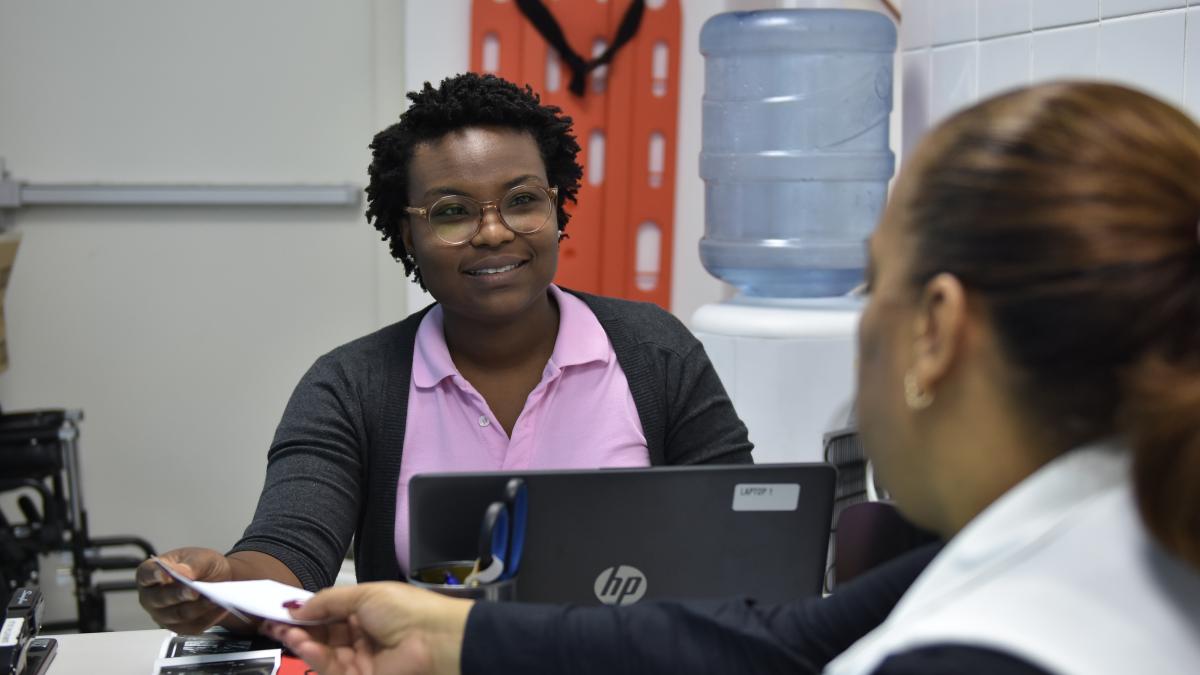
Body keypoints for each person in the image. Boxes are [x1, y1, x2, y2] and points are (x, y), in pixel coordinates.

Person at [266, 81, 1200, 674]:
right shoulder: (1104, 530)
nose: (496, 233)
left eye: (873, 281)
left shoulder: (981, 645)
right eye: (455, 212)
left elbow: (754, 583)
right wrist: (450, 637)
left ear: (938, 330)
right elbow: (777, 641)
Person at [137, 72, 755, 635]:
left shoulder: (654, 352)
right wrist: (221, 585)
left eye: (522, 200)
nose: (493, 232)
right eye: (451, 212)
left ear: (556, 206)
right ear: (408, 234)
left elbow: (747, 536)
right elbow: (292, 549)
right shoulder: (351, 384)